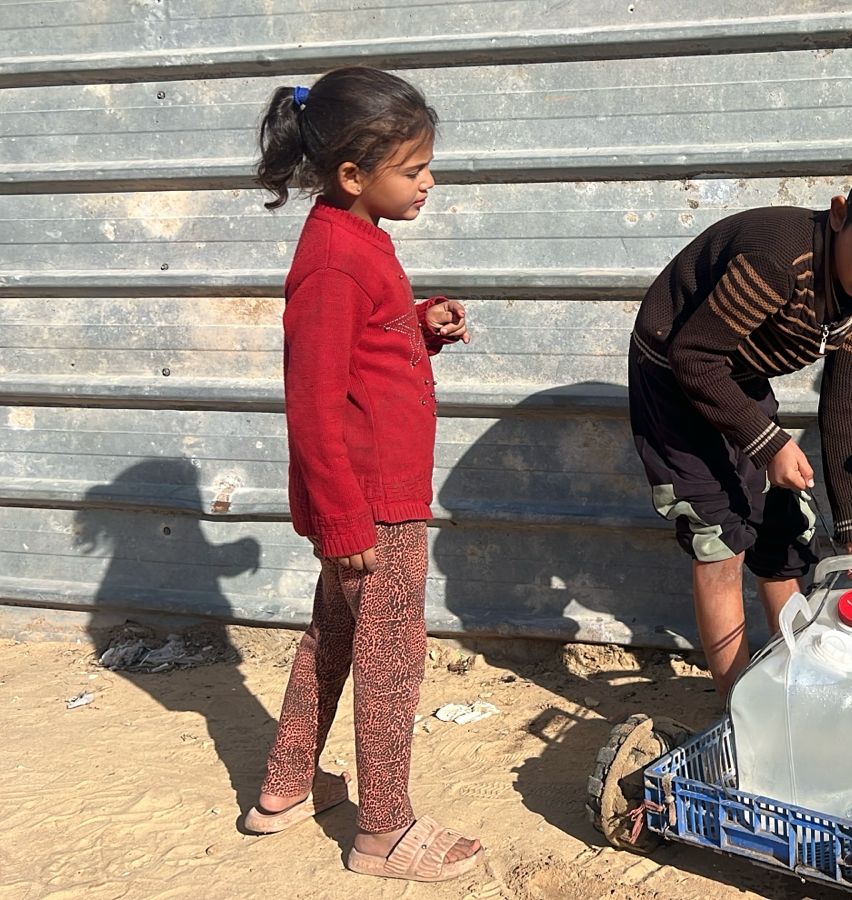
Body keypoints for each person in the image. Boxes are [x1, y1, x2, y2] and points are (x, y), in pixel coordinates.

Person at [241, 66, 482, 883]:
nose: (428, 181)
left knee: (338, 634)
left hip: (366, 496)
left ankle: (283, 787)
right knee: (389, 654)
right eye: (413, 170)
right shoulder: (336, 260)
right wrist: (347, 525)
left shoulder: (352, 240)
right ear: (354, 175)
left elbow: (359, 349)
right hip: (373, 506)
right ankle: (383, 829)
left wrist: (419, 324)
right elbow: (311, 403)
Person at [629, 142, 852, 696]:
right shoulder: (778, 261)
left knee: (784, 528)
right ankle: (738, 709)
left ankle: (797, 685)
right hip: (674, 370)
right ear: (838, 214)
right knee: (722, 538)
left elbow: (845, 404)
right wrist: (766, 440)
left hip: (733, 374)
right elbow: (694, 356)